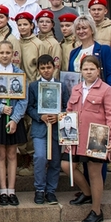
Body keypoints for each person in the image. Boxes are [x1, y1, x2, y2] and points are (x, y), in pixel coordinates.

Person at [61, 56, 111, 222]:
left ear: (98, 70)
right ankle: (87, 193)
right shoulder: (77, 89)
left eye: (92, 69)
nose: (88, 72)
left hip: (97, 136)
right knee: (67, 166)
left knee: (94, 173)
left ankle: (96, 210)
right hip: (75, 136)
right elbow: (69, 110)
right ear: (81, 71)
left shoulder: (107, 90)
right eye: (85, 69)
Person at [0, 40, 27, 206]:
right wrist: (0, 108)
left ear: (13, 54)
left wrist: (15, 119)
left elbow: (23, 100)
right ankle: (3, 190)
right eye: (1, 53)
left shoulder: (19, 73)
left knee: (12, 154)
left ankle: (12, 190)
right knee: (0, 154)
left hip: (14, 117)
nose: (4, 55)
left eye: (7, 53)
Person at [26, 54, 67, 204]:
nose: (46, 71)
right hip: (40, 129)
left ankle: (50, 191)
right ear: (38, 70)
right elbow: (29, 107)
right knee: (40, 157)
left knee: (55, 160)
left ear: (54, 67)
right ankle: (39, 189)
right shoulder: (33, 86)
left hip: (56, 130)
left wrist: (59, 116)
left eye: (48, 67)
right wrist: (39, 116)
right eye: (42, 68)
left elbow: (67, 106)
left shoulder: (61, 86)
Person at [68, 15, 111, 89]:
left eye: (84, 28)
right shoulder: (74, 52)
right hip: (79, 93)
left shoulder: (103, 50)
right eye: (78, 29)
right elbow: (70, 75)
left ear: (92, 30)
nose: (81, 31)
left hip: (99, 93)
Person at [36, 10, 61, 75]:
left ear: (52, 25)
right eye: (41, 21)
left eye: (47, 22)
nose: (44, 24)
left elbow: (56, 66)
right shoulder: (34, 40)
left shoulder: (54, 43)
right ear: (37, 24)